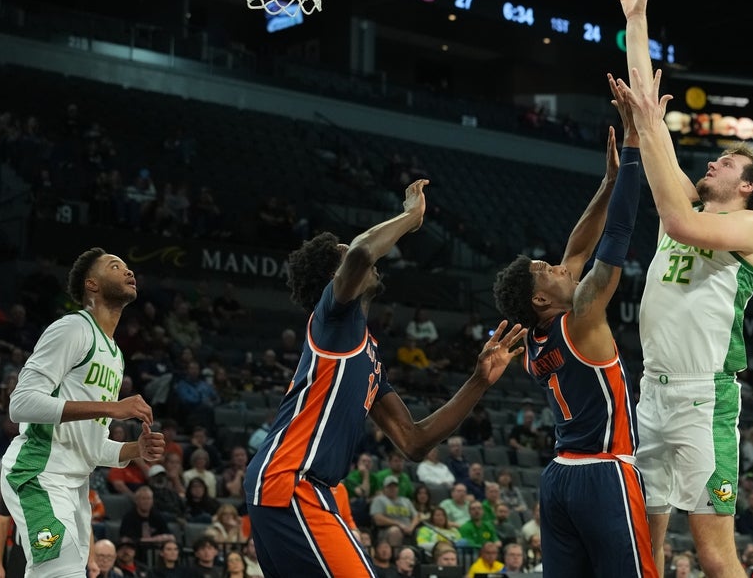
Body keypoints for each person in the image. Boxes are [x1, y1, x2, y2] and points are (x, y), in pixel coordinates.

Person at [243, 180, 525, 578]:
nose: (367, 256)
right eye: (344, 253)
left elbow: (414, 441)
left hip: (300, 486)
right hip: (291, 481)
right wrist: (410, 217)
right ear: (336, 276)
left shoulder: (366, 352)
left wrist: (479, 381)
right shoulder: (332, 321)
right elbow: (362, 251)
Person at [610, 0, 753, 578]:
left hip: (705, 397)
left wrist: (651, 132)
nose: (713, 162)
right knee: (644, 546)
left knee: (713, 555)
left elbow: (677, 222)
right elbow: (648, 113)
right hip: (652, 390)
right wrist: (635, 18)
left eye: (726, 162)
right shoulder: (688, 201)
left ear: (748, 186)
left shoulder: (751, 227)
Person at [493, 82, 656, 578]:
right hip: (604, 472)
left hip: (559, 478)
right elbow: (617, 236)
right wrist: (633, 145)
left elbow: (577, 249)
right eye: (546, 270)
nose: (559, 266)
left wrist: (607, 183)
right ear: (541, 300)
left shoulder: (537, 340)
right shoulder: (581, 318)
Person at [0, 248, 166, 578]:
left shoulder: (115, 355)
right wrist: (112, 407)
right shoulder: (72, 328)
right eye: (116, 266)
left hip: (76, 485)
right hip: (39, 472)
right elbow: (21, 403)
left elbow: (91, 444)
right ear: (92, 284)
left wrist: (135, 449)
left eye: (128, 267)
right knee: (60, 571)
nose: (129, 272)